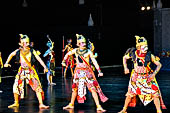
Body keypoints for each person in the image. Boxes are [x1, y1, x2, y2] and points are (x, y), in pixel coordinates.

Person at [119, 35, 166, 113]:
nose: (146, 48)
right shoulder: (134, 53)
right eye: (144, 46)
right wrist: (125, 68)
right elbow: (124, 58)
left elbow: (159, 64)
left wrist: (154, 74)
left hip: (147, 77)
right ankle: (124, 109)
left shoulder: (149, 55)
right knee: (130, 93)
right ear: (139, 47)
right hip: (136, 77)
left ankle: (159, 111)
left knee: (155, 93)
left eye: (146, 46)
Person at [62, 34, 108, 112]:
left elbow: (94, 61)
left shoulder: (88, 51)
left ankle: (98, 106)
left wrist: (99, 71)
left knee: (93, 89)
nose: (84, 44)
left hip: (87, 72)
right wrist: (63, 61)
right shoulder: (75, 50)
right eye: (82, 43)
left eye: (84, 42)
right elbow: (68, 54)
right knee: (75, 89)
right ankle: (71, 104)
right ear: (78, 44)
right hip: (78, 72)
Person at [4, 34, 49, 109]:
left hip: (30, 71)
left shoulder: (32, 51)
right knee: (16, 86)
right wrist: (6, 63)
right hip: (22, 71)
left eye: (27, 42)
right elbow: (11, 55)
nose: (26, 44)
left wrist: (45, 67)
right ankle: (16, 102)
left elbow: (39, 59)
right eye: (24, 43)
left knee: (37, 86)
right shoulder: (18, 51)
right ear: (20, 44)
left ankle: (41, 104)